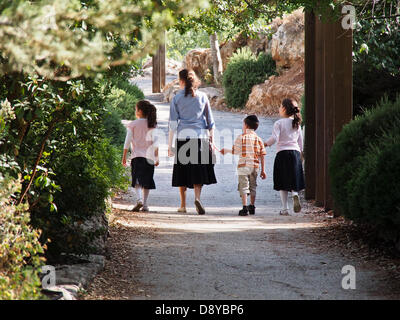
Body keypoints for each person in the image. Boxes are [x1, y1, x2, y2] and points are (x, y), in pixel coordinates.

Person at [168, 69, 217, 215]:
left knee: (182, 173)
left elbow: (173, 124)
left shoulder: (176, 98)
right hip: (201, 138)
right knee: (198, 172)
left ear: (181, 81)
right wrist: (211, 141)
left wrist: (170, 145)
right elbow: (210, 122)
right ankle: (197, 198)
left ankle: (183, 205)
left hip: (183, 138)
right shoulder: (202, 96)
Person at [264, 98, 305, 216]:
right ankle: (295, 195)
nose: (279, 109)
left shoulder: (279, 123)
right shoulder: (296, 123)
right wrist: (301, 154)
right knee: (293, 177)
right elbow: (300, 141)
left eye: (280, 106)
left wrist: (265, 144)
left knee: (282, 181)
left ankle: (285, 208)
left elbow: (275, 138)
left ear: (284, 109)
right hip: (295, 153)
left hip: (282, 154)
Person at [220, 115, 266, 216]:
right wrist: (263, 170)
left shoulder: (241, 138)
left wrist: (226, 151)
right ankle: (252, 206)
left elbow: (235, 151)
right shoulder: (259, 139)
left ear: (245, 125)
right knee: (253, 187)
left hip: (243, 166)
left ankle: (244, 207)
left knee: (243, 186)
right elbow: (262, 155)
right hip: (255, 166)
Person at [122, 100, 159, 212]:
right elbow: (155, 143)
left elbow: (127, 142)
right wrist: (157, 158)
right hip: (150, 158)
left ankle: (139, 200)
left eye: (136, 109)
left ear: (140, 111)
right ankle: (146, 204)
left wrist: (124, 157)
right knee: (147, 181)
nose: (135, 111)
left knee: (137, 180)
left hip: (136, 157)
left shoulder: (132, 124)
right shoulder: (152, 124)